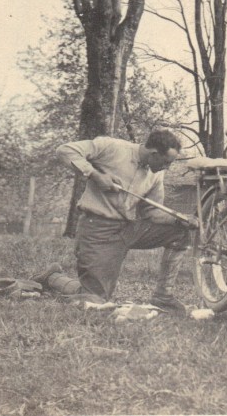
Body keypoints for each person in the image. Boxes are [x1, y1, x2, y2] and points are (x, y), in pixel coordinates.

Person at [52, 129, 196, 313]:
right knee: (96, 298)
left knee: (179, 233)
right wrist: (95, 175)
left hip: (126, 229)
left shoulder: (156, 173)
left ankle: (163, 297)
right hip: (96, 230)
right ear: (154, 153)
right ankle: (52, 277)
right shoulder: (112, 147)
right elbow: (64, 150)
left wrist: (179, 219)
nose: (166, 167)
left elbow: (151, 212)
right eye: (166, 162)